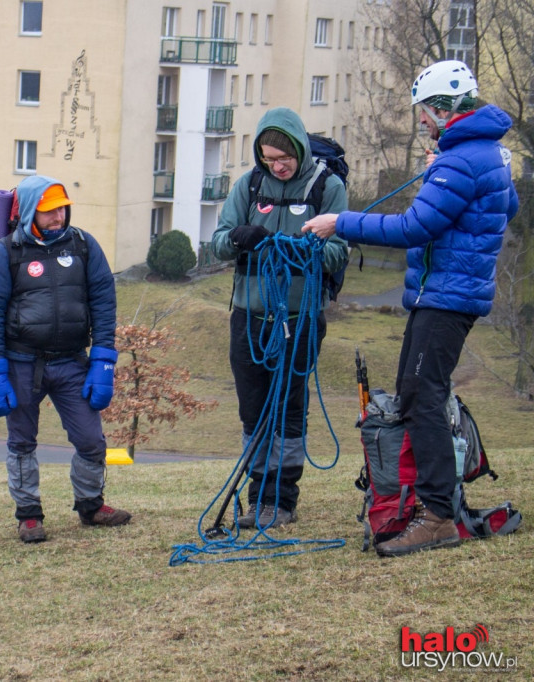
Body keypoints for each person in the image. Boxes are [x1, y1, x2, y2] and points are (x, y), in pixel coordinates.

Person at [303, 60, 518, 557]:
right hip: (448, 293)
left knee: (421, 396)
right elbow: (508, 208)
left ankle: (438, 515)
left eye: (425, 111)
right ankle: (433, 501)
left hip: (447, 296)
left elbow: (410, 230)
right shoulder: (485, 154)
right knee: (417, 393)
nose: (422, 120)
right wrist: (439, 177)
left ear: (444, 109)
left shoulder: (463, 160)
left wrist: (342, 222)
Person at [210, 107, 349, 529]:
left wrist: (290, 246)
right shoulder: (248, 186)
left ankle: (282, 499)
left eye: (283, 157)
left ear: (299, 148)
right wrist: (239, 237)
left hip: (299, 317)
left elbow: (338, 250)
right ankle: (258, 496)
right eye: (269, 158)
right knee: (253, 412)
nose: (277, 165)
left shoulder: (328, 187)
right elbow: (217, 243)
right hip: (249, 320)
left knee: (288, 408)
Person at [0, 174, 130, 544]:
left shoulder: (83, 246)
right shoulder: (6, 253)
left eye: (61, 208)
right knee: (22, 442)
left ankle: (91, 506)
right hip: (20, 363)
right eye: (48, 211)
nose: (58, 216)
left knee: (92, 440)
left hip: (72, 363)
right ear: (31, 211)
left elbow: (104, 305)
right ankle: (28, 515)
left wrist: (103, 361)